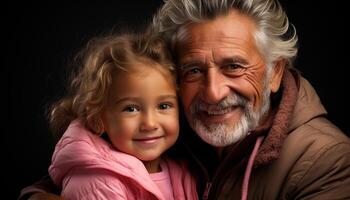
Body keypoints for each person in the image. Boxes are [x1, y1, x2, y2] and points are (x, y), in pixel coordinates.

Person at [19, 0, 350, 199]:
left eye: (233, 66)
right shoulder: (168, 125)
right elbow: (63, 177)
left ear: (275, 72)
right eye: (193, 70)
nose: (213, 92)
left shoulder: (328, 161)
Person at [20, 32, 198, 200]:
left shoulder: (183, 173)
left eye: (164, 106)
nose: (150, 123)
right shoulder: (95, 181)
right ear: (97, 118)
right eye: (131, 109)